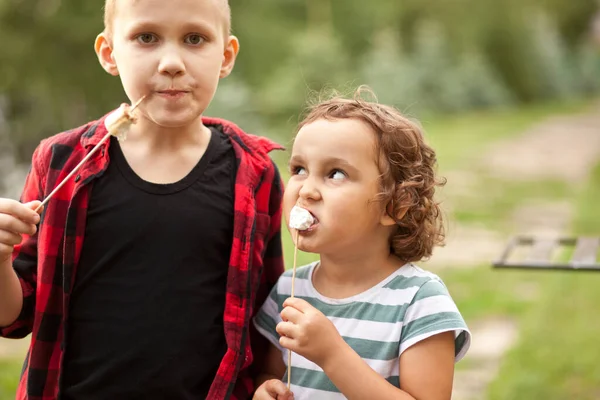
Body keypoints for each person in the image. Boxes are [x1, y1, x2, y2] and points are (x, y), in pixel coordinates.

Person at [0, 0, 285, 398]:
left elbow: (266, 314)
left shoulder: (254, 174)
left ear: (226, 56)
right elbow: (14, 319)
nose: (171, 62)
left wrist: (270, 384)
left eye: (194, 39)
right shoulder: (61, 161)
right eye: (146, 37)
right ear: (109, 52)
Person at [253, 87, 471, 400]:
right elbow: (273, 372)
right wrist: (265, 389)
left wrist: (332, 356)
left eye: (335, 173)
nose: (306, 191)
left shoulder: (420, 302)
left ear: (394, 205)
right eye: (299, 169)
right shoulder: (290, 288)